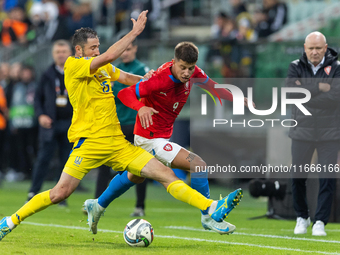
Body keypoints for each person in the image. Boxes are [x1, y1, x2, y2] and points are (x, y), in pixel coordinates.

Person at [0, 10, 241, 241]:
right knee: (59, 193)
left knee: (165, 174)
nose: (97, 51)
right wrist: (134, 33)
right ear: (79, 50)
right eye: (92, 47)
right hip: (89, 143)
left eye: (98, 47)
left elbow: (126, 78)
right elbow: (108, 57)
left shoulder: (103, 67)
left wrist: (150, 79)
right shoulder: (74, 66)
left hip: (117, 143)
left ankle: (210, 207)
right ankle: (10, 221)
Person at [84, 41, 246, 235]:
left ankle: (98, 205)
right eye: (183, 68)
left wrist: (237, 98)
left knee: (134, 176)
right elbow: (125, 94)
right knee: (198, 165)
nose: (187, 73)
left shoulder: (194, 73)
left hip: (160, 137)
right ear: (174, 62)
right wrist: (141, 107)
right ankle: (208, 214)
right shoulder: (160, 79)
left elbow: (214, 88)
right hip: (149, 138)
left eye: (190, 68)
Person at [286, 31, 340, 236]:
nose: (315, 52)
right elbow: (290, 93)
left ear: (325, 48)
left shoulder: (336, 68)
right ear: (305, 48)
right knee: (297, 178)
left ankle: (320, 222)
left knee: (327, 178)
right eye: (311, 48)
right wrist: (320, 86)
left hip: (330, 133)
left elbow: (336, 97)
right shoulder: (295, 66)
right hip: (302, 131)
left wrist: (306, 92)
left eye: (319, 48)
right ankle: (302, 216)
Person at [94, 37, 151, 218]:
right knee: (104, 163)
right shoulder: (112, 69)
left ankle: (139, 206)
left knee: (139, 166)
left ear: (134, 49)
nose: (124, 53)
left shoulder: (142, 70)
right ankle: (96, 203)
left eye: (128, 49)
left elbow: (144, 90)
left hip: (135, 125)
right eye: (123, 50)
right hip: (114, 125)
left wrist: (116, 88)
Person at [26, 40, 73, 203]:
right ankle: (33, 192)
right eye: (57, 52)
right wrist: (40, 115)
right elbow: (37, 98)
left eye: (64, 51)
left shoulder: (75, 72)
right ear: (53, 55)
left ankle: (61, 195)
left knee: (66, 162)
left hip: (70, 124)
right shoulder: (47, 74)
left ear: (70, 53)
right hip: (50, 124)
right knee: (43, 159)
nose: (61, 55)